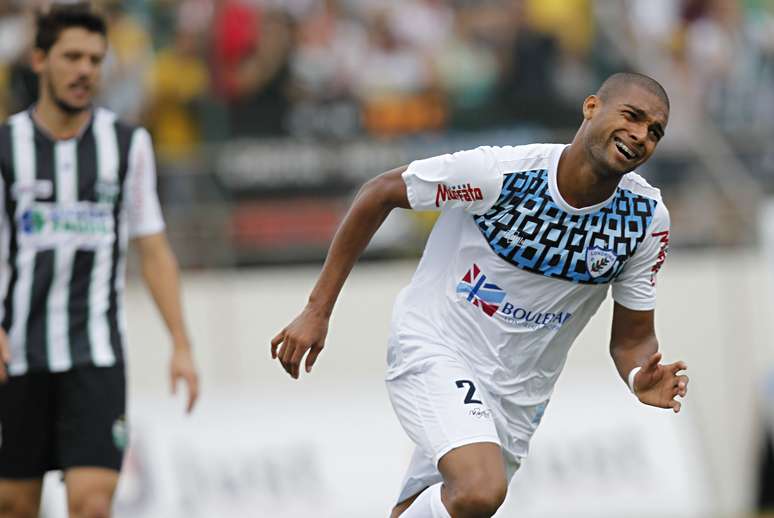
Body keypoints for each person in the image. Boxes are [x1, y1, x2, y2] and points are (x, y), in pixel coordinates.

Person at [272, 71, 689, 518]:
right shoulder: (502, 175)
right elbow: (379, 193)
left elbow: (631, 339)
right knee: (480, 489)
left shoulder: (644, 219)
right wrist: (317, 310)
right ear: (591, 108)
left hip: (519, 395)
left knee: (452, 505)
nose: (641, 135)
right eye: (632, 116)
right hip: (436, 346)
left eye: (655, 131)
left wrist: (638, 376)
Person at [0, 5, 199, 518]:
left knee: (91, 504)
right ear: (40, 59)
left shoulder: (127, 144)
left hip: (96, 357)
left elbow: (152, 248)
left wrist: (180, 342)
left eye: (95, 58)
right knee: (14, 504)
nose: (85, 69)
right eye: (72, 56)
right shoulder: (7, 146)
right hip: (15, 355)